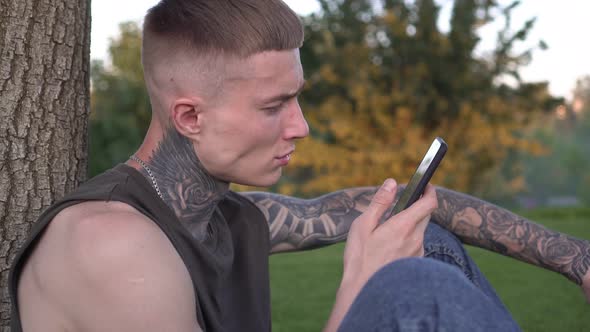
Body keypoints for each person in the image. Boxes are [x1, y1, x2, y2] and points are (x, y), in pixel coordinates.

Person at [8, 0, 589, 331]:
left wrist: (577, 259)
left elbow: (380, 206)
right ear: (189, 116)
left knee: (423, 239)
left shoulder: (224, 216)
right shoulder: (109, 245)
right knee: (414, 286)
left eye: (296, 96)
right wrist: (359, 287)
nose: (301, 126)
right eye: (274, 106)